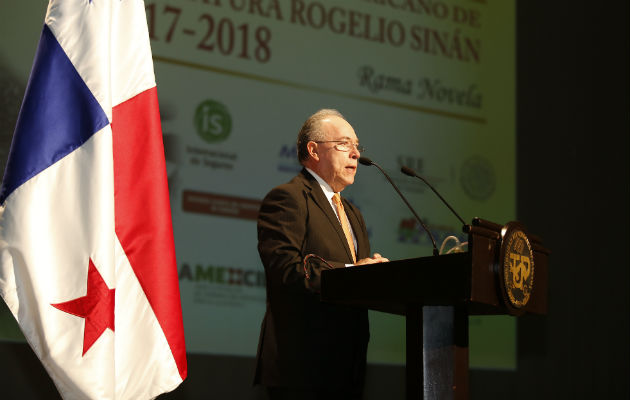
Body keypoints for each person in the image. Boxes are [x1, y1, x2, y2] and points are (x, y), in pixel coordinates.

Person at [254, 109, 389, 400]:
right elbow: (287, 271)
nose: (355, 153)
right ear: (313, 150)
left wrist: (378, 277)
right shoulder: (288, 199)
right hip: (302, 367)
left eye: (357, 146)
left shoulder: (353, 214)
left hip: (348, 368)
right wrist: (355, 273)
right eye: (344, 144)